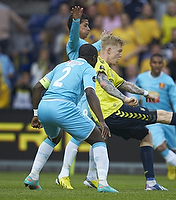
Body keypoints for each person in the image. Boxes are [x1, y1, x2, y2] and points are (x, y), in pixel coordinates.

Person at [59, 34, 176, 191]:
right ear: (108, 50)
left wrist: (145, 93)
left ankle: (150, 182)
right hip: (115, 112)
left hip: (110, 116)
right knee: (163, 116)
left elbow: (125, 84)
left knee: (146, 136)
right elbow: (104, 84)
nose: (121, 55)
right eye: (119, 51)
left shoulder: (107, 68)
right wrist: (124, 99)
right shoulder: (99, 65)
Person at [23, 44, 116, 193]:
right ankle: (103, 183)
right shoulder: (88, 69)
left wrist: (35, 114)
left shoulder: (61, 66)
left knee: (54, 137)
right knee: (98, 138)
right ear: (94, 58)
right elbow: (90, 93)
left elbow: (37, 88)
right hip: (63, 106)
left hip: (45, 106)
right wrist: (102, 121)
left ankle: (33, 176)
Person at [135, 53, 176, 182]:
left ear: (163, 65)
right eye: (154, 62)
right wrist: (132, 106)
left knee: (172, 149)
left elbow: (175, 99)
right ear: (150, 64)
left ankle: (171, 165)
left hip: (167, 117)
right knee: (161, 146)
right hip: (151, 118)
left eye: (159, 63)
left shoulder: (168, 80)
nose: (157, 65)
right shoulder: (141, 78)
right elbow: (135, 93)